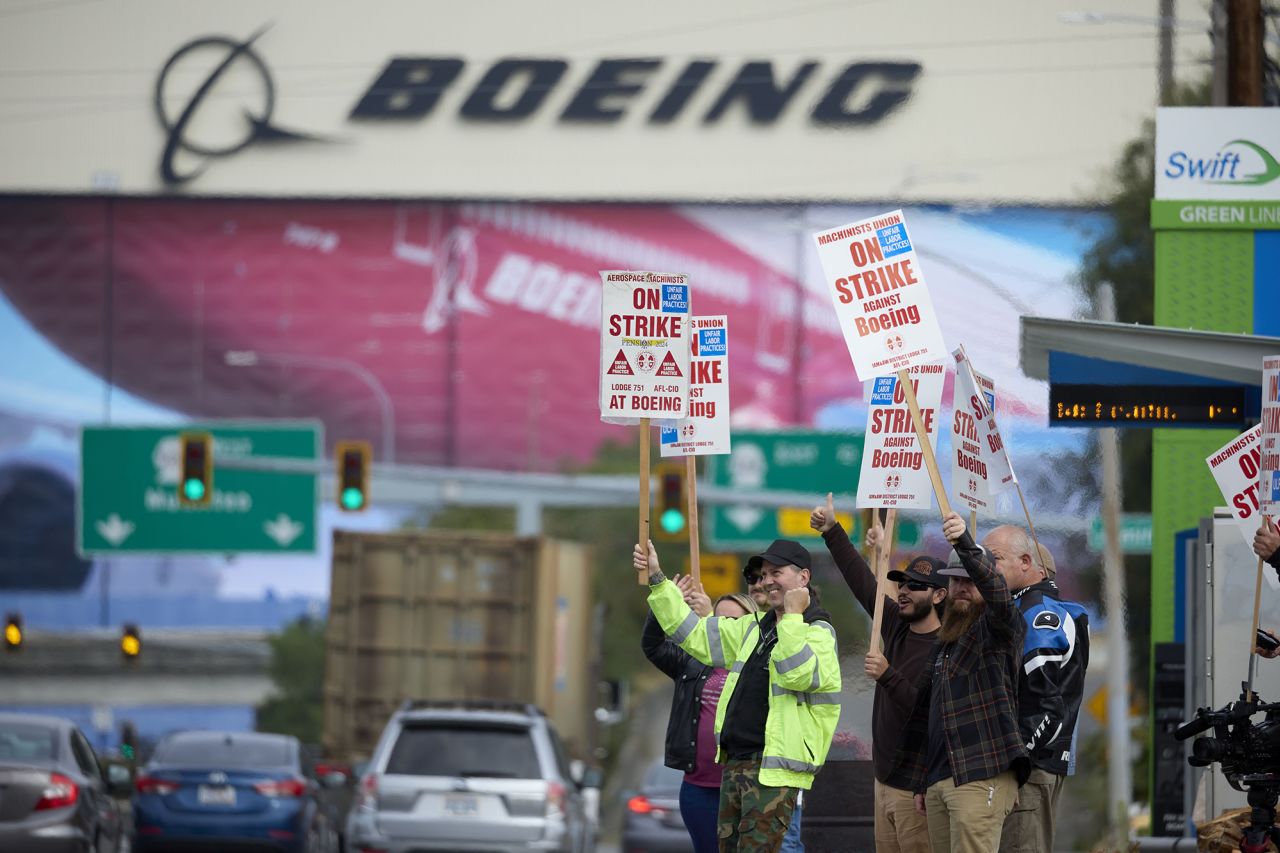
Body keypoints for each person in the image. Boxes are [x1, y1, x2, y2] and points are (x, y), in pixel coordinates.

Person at [635, 538, 841, 852]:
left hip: (772, 773)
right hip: (735, 765)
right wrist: (657, 579)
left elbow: (794, 672)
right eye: (764, 573)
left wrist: (793, 616)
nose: (768, 580)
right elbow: (693, 634)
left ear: (804, 578)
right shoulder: (755, 627)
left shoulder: (818, 631)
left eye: (777, 572)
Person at [884, 512, 1029, 853]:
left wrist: (964, 544)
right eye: (955, 581)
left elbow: (998, 595)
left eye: (970, 580)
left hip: (980, 775)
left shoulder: (999, 629)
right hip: (938, 781)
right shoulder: (946, 642)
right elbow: (928, 718)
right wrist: (922, 780)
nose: (962, 587)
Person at [810, 493, 943, 853]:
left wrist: (887, 674)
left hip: (916, 789)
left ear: (939, 596)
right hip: (882, 782)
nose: (904, 591)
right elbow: (863, 583)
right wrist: (833, 530)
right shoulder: (897, 629)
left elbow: (926, 710)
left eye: (916, 586)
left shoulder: (947, 647)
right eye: (902, 584)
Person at [981, 526, 1089, 853]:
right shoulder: (1028, 608)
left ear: (1029, 564)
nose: (986, 567)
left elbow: (1048, 706)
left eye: (994, 558)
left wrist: (1017, 763)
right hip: (1035, 763)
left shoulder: (1039, 613)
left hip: (1032, 767)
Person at [642, 578, 758, 853]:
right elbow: (653, 646)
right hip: (699, 788)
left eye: (733, 620)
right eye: (719, 619)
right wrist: (666, 604)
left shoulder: (759, 665)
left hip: (746, 786)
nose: (723, 626)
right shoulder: (692, 660)